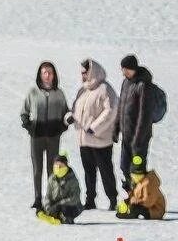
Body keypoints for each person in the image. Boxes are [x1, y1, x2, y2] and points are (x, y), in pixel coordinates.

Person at [21, 61, 72, 210]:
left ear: (54, 75)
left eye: (50, 73)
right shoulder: (33, 92)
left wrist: (63, 126)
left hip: (53, 137)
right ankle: (38, 198)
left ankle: (51, 196)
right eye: (44, 73)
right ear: (40, 75)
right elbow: (24, 112)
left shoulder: (59, 94)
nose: (47, 75)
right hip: (37, 137)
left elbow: (66, 113)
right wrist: (29, 126)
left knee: (52, 169)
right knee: (37, 169)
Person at [71, 58, 119, 211]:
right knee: (88, 172)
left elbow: (110, 111)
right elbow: (76, 108)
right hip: (84, 140)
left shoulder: (105, 89)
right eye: (82, 73)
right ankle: (90, 199)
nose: (83, 75)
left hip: (100, 140)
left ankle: (112, 199)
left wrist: (94, 127)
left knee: (106, 171)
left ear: (92, 71)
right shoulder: (83, 90)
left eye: (85, 72)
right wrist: (70, 116)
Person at [116, 55, 157, 193]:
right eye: (123, 69)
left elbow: (144, 116)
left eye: (126, 69)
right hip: (127, 136)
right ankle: (132, 193)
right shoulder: (126, 83)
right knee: (124, 166)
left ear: (133, 68)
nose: (124, 72)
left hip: (140, 138)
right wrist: (116, 129)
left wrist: (138, 139)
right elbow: (120, 108)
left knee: (137, 170)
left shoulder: (144, 85)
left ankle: (142, 197)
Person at [37, 153, 83, 225]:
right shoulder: (52, 178)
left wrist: (60, 204)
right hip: (56, 204)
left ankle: (65, 219)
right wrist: (47, 205)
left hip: (71, 205)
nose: (58, 168)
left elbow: (75, 198)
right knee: (41, 210)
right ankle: (53, 217)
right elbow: (48, 195)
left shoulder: (72, 179)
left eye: (61, 166)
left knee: (66, 210)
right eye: (56, 165)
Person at [117, 155, 166, 220]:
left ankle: (131, 215)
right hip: (148, 207)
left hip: (155, 210)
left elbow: (148, 201)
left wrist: (137, 202)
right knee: (129, 204)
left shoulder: (149, 183)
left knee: (135, 207)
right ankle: (128, 213)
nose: (133, 177)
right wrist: (128, 190)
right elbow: (136, 195)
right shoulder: (140, 182)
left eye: (134, 175)